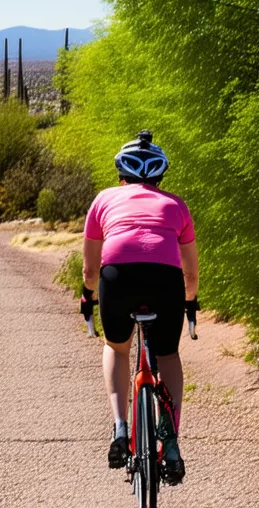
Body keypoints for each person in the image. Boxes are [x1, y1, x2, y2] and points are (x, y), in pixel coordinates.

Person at [81, 131, 199, 486]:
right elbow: (190, 272)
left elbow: (89, 270)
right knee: (168, 355)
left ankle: (120, 427)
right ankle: (172, 440)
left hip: (117, 279)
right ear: (160, 177)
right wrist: (190, 301)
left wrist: (89, 296)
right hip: (166, 283)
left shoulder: (103, 200)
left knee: (117, 348)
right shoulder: (176, 205)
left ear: (121, 175)